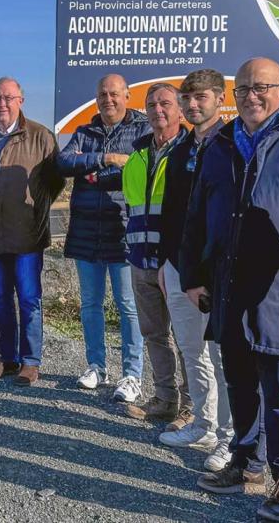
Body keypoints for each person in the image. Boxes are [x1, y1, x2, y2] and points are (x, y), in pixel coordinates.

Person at [180, 58, 279, 521]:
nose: (252, 96)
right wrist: (192, 275)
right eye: (243, 89)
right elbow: (197, 214)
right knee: (240, 381)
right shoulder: (220, 144)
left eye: (262, 87)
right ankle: (247, 463)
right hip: (227, 284)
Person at [157, 70, 234, 473]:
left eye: (200, 97)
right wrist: (166, 265)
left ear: (219, 98)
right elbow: (172, 213)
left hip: (216, 273)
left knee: (223, 357)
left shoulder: (233, 144)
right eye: (186, 98)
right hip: (177, 268)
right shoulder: (180, 148)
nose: (192, 105)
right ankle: (203, 424)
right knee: (192, 351)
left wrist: (204, 272)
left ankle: (228, 437)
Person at [58, 73, 149, 403]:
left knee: (128, 306)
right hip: (85, 230)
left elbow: (139, 168)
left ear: (126, 95)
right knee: (91, 305)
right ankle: (96, 366)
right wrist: (106, 159)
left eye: (114, 94)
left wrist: (94, 175)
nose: (107, 100)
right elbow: (63, 162)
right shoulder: (84, 131)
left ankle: (132, 374)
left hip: (122, 229)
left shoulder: (142, 130)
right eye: (102, 94)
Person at [0, 77, 65, 387]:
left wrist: (34, 208)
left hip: (27, 235)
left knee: (28, 299)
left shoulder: (40, 136)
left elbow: (55, 181)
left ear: (21, 101)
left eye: (9, 98)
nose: (3, 103)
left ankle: (30, 361)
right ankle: (7, 358)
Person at [120, 83, 191, 425]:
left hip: (176, 264)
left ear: (180, 110)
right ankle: (165, 399)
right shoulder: (137, 157)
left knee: (187, 339)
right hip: (140, 261)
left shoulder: (192, 153)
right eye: (151, 104)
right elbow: (132, 208)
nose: (158, 110)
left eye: (165, 103)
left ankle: (193, 406)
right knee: (154, 335)